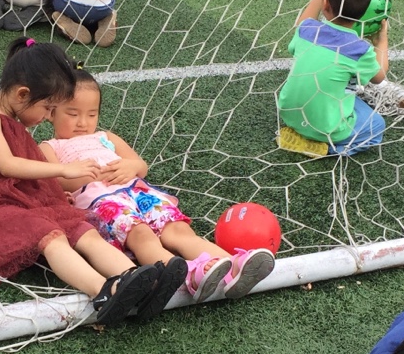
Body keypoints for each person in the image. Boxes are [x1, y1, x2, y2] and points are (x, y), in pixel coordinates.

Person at [0, 39, 186, 324]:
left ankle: (137, 279)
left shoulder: (15, 120)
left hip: (26, 198)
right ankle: (104, 291)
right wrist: (63, 170)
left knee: (84, 231)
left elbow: (25, 173)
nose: (47, 117)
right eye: (48, 108)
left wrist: (50, 191)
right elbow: (6, 165)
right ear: (22, 94)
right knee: (52, 237)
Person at [40, 68, 275, 302]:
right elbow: (55, 181)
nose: (83, 122)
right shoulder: (49, 147)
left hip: (138, 191)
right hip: (101, 201)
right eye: (72, 114)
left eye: (92, 115)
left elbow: (140, 165)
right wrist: (87, 174)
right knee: (141, 236)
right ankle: (189, 274)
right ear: (51, 112)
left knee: (177, 230)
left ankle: (233, 266)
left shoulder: (106, 137)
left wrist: (130, 167)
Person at [276, 0, 389, 157]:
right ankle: (329, 149)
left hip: (290, 115)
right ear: (365, 15)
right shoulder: (359, 50)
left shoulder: (307, 30)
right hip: (328, 130)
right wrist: (381, 41)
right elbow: (379, 76)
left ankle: (302, 134)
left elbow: (303, 22)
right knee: (376, 125)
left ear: (325, 4)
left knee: (346, 86)